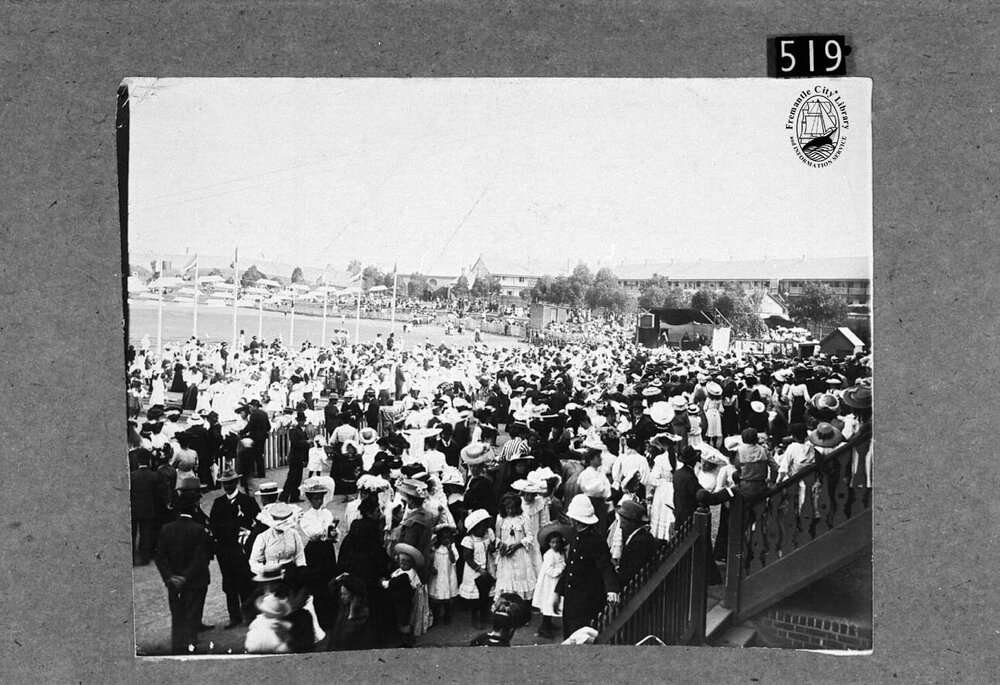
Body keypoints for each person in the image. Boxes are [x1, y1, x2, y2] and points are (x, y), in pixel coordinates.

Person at [154, 486, 213, 654]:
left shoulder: (166, 529)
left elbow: (160, 557)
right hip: (195, 582)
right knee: (192, 617)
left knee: (177, 617)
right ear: (194, 508)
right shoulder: (199, 530)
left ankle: (177, 649)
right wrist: (185, 577)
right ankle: (190, 648)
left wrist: (170, 577)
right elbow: (200, 558)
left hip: (174, 583)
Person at [553, 494, 620, 639]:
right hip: (571, 602)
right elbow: (570, 567)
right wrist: (557, 592)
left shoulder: (595, 541)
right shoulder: (575, 537)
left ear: (575, 520)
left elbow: (606, 567)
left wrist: (612, 590)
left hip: (586, 603)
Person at [208, 468, 261, 629]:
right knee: (229, 585)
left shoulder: (247, 501)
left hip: (242, 551)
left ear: (236, 482)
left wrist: (248, 534)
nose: (228, 486)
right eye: (225, 484)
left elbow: (258, 523)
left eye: (231, 483)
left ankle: (249, 615)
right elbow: (213, 526)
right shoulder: (218, 503)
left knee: (245, 582)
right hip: (225, 551)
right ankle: (234, 617)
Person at [493, 492, 537, 603]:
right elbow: (497, 537)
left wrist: (518, 545)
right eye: (507, 508)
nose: (510, 511)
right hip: (505, 556)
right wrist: (500, 545)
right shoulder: (500, 518)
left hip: (520, 555)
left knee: (519, 579)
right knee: (507, 580)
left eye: (513, 508)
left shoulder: (523, 518)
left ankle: (519, 605)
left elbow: (530, 536)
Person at [131, 448, 169, 566]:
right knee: (146, 533)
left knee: (132, 533)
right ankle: (145, 558)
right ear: (149, 461)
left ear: (138, 461)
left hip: (133, 508)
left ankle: (131, 558)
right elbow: (160, 495)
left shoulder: (131, 476)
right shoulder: (155, 476)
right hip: (149, 508)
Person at [458, 509, 496, 629]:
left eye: (484, 525)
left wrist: (492, 548)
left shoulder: (489, 533)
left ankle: (485, 615)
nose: (482, 529)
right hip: (474, 571)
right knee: (476, 598)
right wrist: (479, 569)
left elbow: (494, 547)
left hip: (488, 567)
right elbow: (467, 558)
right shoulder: (469, 540)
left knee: (487, 594)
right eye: (479, 527)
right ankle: (476, 618)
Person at [532, 522, 570, 639]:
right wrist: (561, 570)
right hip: (549, 583)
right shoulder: (549, 554)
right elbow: (549, 570)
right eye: (553, 542)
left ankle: (548, 623)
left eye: (557, 542)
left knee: (554, 603)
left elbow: (563, 562)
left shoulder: (561, 552)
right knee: (548, 603)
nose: (555, 544)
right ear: (549, 543)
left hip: (556, 582)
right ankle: (543, 627)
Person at [615, 500, 658, 587]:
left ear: (633, 523)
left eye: (623, 523)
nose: (620, 526)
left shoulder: (640, 543)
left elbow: (633, 571)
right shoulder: (638, 537)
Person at [327, 573, 371, 651]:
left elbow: (346, 638)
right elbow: (331, 587)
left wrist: (351, 614)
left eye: (344, 594)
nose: (341, 597)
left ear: (354, 596)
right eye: (341, 594)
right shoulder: (344, 604)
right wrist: (338, 578)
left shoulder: (362, 614)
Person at [427, 524, 460, 626]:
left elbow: (454, 560)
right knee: (436, 598)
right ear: (439, 538)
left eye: (449, 538)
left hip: (448, 574)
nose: (447, 540)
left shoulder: (452, 547)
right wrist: (431, 568)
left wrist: (450, 549)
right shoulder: (434, 548)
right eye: (444, 538)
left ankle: (447, 615)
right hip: (437, 576)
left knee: (448, 598)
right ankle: (436, 616)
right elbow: (430, 558)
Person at [280, 411, 310, 503]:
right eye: (301, 420)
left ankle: (294, 496)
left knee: (297, 478)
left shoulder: (302, 430)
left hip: (300, 456)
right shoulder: (293, 430)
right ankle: (284, 497)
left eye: (303, 420)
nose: (303, 422)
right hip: (295, 456)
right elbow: (295, 443)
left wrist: (306, 458)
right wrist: (306, 442)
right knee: (292, 477)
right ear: (298, 421)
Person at [238, 401, 272, 479]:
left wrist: (243, 432)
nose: (250, 408)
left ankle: (258, 473)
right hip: (262, 437)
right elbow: (268, 427)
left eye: (251, 407)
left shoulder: (254, 415)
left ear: (255, 407)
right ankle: (260, 472)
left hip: (255, 437)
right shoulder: (264, 414)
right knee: (259, 455)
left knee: (255, 455)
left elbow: (250, 426)